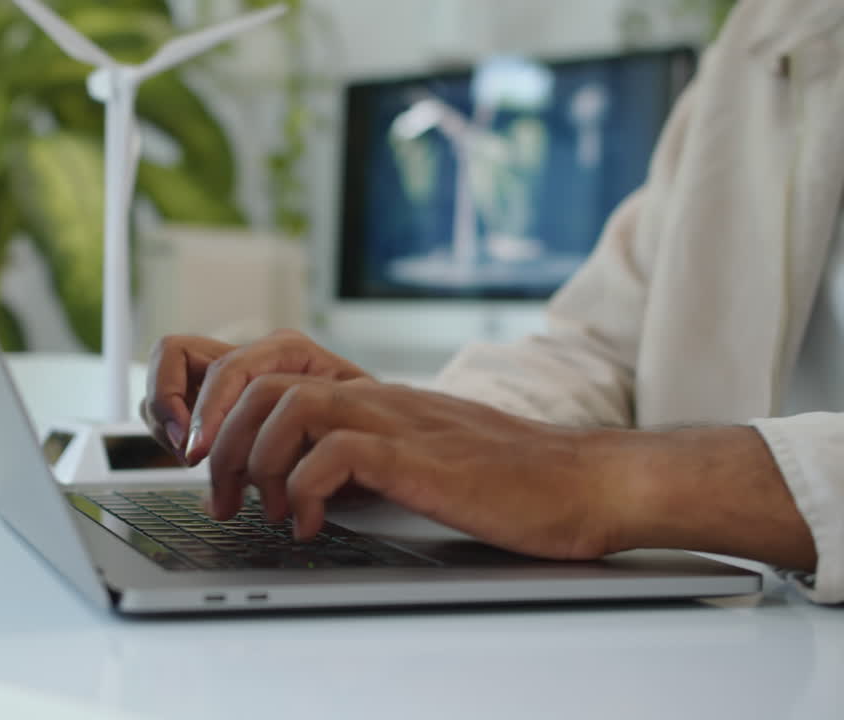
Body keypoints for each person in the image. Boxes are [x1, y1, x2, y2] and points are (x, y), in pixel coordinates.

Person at [140, 0, 844, 605]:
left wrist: (604, 481)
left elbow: (589, 468)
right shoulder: (765, 36)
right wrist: (405, 435)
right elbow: (598, 349)